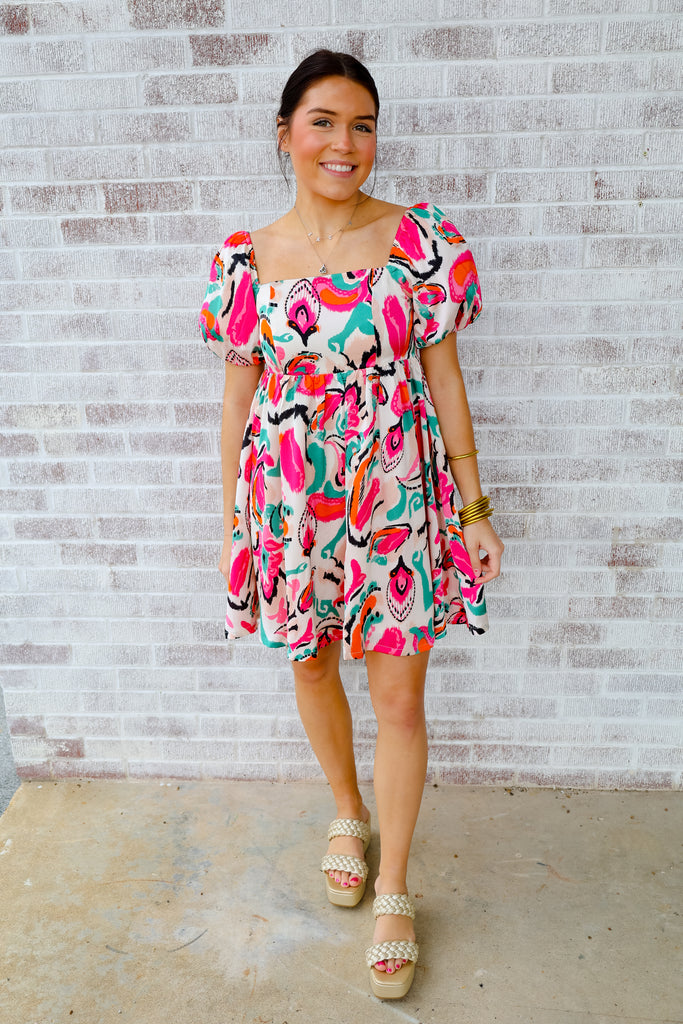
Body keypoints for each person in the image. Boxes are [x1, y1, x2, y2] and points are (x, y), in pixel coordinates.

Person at [199, 49, 504, 1000]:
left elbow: (443, 376)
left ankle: (396, 889)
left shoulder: (418, 240)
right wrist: (233, 522)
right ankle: (345, 809)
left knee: (400, 698)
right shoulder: (244, 258)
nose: (345, 142)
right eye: (324, 121)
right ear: (285, 133)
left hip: (396, 494)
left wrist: (474, 507)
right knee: (310, 663)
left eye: (362, 124)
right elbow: (238, 403)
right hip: (290, 502)